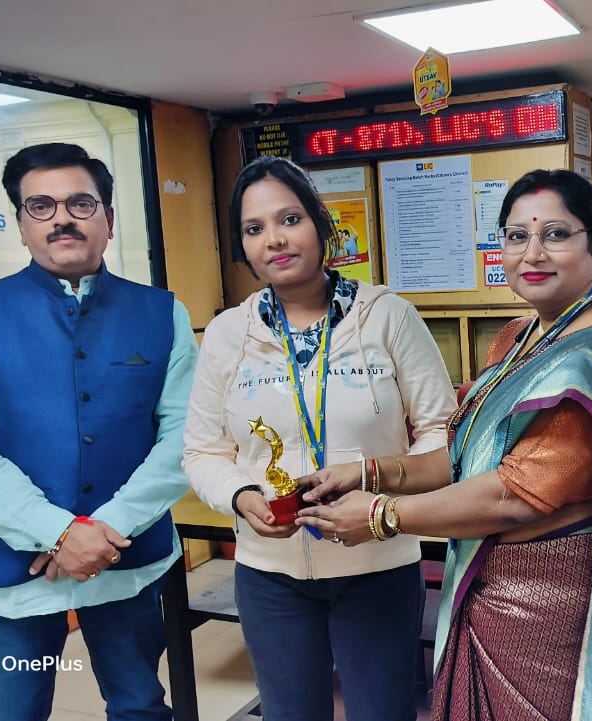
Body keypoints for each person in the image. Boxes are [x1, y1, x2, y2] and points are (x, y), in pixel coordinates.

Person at [298, 169, 592, 720]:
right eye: (516, 236)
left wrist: (382, 516)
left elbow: (516, 493)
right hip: (488, 583)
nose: (532, 252)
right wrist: (368, 473)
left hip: (553, 607)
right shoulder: (519, 335)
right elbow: (467, 457)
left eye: (556, 234)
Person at [0, 142, 197, 721]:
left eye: (80, 202)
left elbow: (183, 437)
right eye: (41, 206)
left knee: (141, 706)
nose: (63, 218)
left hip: (127, 557)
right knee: (7, 714)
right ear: (20, 224)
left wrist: (104, 532)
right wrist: (57, 533)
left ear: (109, 218)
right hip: (13, 568)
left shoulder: (162, 313)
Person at [181, 156, 457, 721]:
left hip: (378, 563)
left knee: (384, 712)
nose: (274, 240)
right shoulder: (229, 333)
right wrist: (239, 496)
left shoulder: (388, 317)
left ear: (321, 224)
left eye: (289, 219)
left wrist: (379, 490)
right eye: (254, 229)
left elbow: (441, 434)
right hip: (270, 572)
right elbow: (203, 450)